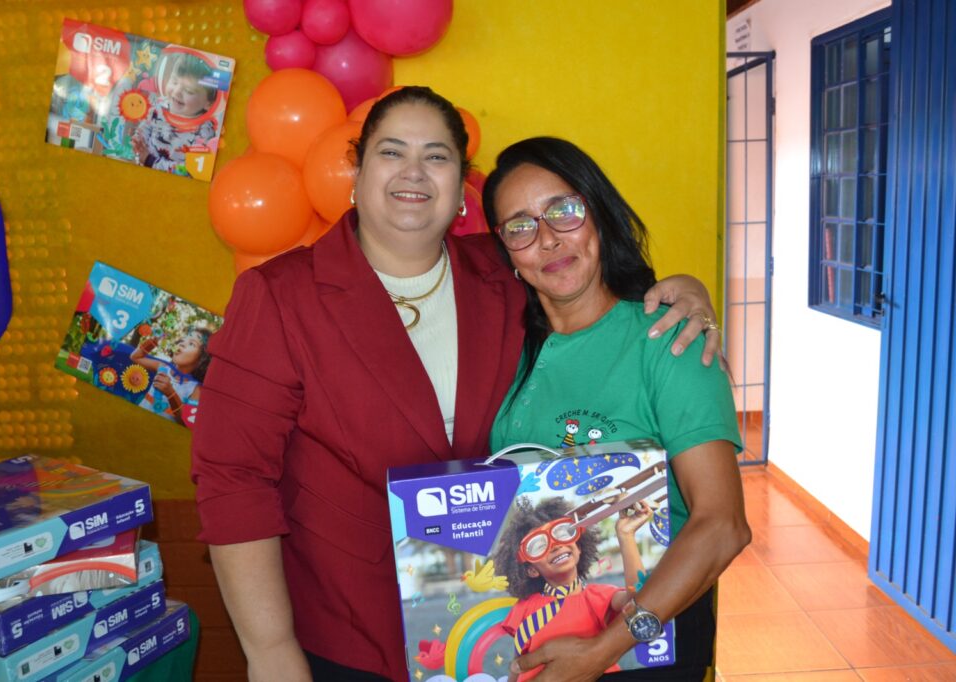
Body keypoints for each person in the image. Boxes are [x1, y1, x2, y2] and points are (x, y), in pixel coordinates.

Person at [190, 86, 724, 682]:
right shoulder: (280, 295)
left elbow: (594, 289)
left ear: (460, 185)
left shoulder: (503, 271)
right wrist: (270, 650)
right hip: (352, 637)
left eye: (437, 156)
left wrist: (686, 292)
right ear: (357, 171)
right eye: (392, 152)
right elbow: (233, 479)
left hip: (494, 632)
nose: (414, 171)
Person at [484, 136, 751, 681]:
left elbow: (723, 526)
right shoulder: (505, 345)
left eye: (564, 211)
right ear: (506, 250)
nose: (547, 239)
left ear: (598, 214)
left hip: (648, 642)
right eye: (520, 226)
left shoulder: (670, 340)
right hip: (545, 646)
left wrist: (600, 651)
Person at [494, 496, 652, 680]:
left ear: (579, 546)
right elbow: (518, 663)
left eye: (562, 533)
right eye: (538, 546)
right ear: (531, 570)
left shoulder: (600, 597)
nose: (555, 545)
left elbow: (640, 600)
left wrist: (626, 535)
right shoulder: (524, 608)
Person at [132, 53, 218, 173]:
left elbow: (190, 170)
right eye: (174, 82)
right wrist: (137, 143)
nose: (177, 92)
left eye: (189, 91)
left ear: (209, 103)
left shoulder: (204, 131)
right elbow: (145, 128)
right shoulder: (160, 106)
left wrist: (150, 161)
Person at [131, 327, 211, 425]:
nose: (182, 343)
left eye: (191, 344)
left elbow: (186, 422)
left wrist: (171, 394)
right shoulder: (162, 367)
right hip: (136, 422)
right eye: (183, 340)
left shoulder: (196, 390)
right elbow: (135, 357)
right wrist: (153, 341)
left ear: (202, 358)